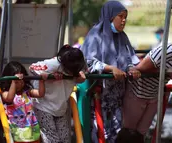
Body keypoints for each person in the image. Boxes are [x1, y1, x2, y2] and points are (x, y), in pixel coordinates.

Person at [80, 1, 140, 142]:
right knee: (99, 135)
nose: (124, 20)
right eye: (120, 16)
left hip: (117, 99)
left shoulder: (122, 37)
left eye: (126, 16)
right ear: (110, 16)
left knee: (116, 136)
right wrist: (110, 68)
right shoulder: (95, 36)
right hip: (98, 98)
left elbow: (130, 58)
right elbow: (87, 61)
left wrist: (132, 68)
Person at [29, 45, 87, 143]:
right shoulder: (54, 64)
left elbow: (82, 76)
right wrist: (48, 75)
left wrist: (80, 75)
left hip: (60, 107)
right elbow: (32, 67)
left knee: (65, 139)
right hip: (44, 106)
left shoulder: (78, 66)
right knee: (52, 140)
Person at [0, 61, 47, 143]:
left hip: (31, 131)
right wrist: (14, 81)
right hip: (16, 132)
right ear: (9, 82)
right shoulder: (5, 93)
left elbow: (40, 93)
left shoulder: (27, 92)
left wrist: (41, 81)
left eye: (22, 81)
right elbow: (10, 98)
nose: (20, 84)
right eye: (17, 82)